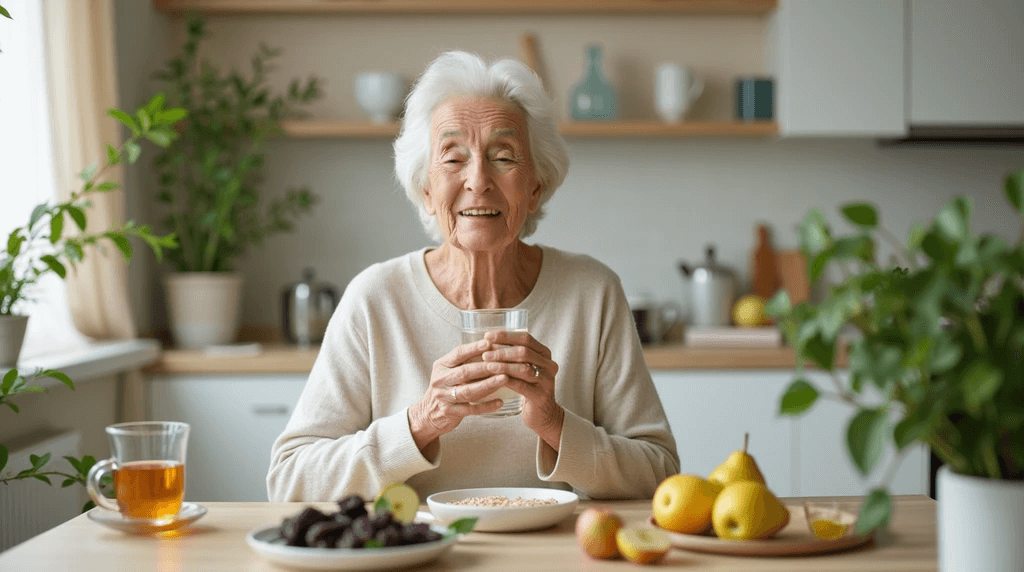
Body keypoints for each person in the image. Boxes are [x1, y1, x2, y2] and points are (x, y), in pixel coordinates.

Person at [267, 51, 679, 502]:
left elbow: (658, 471)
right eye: (453, 158)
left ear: (536, 187)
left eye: (503, 157)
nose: (478, 180)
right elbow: (290, 481)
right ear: (426, 190)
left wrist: (555, 425)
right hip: (417, 544)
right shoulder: (376, 298)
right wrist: (420, 422)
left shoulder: (592, 292)